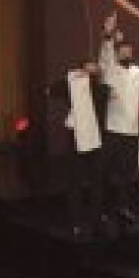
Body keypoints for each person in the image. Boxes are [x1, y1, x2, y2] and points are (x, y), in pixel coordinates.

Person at [53, 60, 110, 239]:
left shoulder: (102, 90)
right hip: (76, 139)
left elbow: (99, 93)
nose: (90, 75)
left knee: (97, 183)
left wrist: (84, 81)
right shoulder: (73, 86)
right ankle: (75, 222)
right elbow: (52, 90)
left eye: (94, 71)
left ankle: (96, 220)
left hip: (96, 140)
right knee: (74, 182)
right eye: (87, 70)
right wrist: (71, 77)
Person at [98, 14, 139, 224]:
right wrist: (109, 35)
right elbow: (105, 55)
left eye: (128, 50)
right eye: (122, 50)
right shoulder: (111, 70)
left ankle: (124, 208)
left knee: (127, 174)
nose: (126, 53)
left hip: (132, 132)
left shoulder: (138, 72)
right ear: (117, 52)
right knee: (106, 172)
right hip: (113, 130)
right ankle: (104, 209)